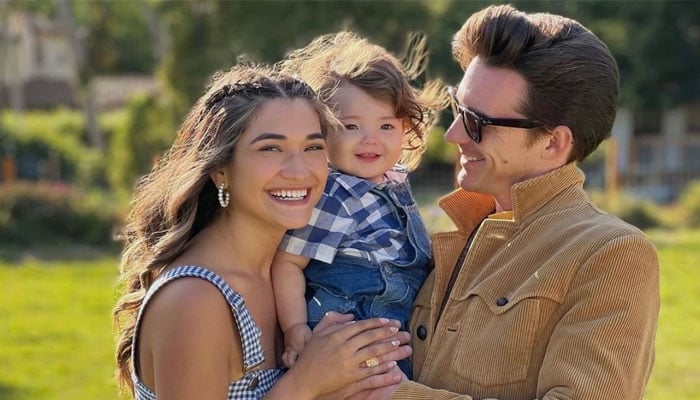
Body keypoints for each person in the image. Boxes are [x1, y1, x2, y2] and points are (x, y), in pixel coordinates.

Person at [358, 4, 660, 400]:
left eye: (477, 122)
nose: (453, 135)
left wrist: (387, 395)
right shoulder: (442, 236)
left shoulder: (610, 253)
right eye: (457, 107)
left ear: (553, 143)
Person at [112, 64, 411, 399]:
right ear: (220, 169)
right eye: (271, 148)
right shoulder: (195, 299)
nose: (299, 172)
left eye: (313, 147)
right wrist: (305, 382)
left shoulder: (303, 280)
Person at [271, 31, 446, 379]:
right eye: (351, 126)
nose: (370, 139)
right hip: (351, 336)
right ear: (321, 131)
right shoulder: (334, 194)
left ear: (405, 128)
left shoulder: (396, 183)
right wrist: (294, 328)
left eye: (386, 126)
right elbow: (288, 262)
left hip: (395, 334)